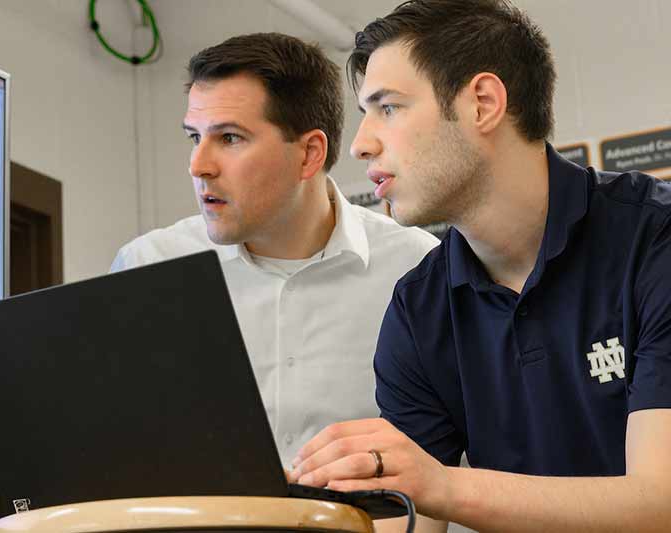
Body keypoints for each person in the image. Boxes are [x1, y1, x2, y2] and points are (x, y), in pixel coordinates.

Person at [289, 1, 671, 532]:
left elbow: (660, 504)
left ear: (483, 103)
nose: (359, 144)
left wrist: (438, 484)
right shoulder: (418, 307)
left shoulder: (657, 241)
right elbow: (412, 519)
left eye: (389, 108)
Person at [110, 32, 438, 468]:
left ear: (309, 154)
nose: (198, 166)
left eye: (229, 138)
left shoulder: (418, 270)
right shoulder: (147, 268)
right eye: (195, 137)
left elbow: (445, 466)